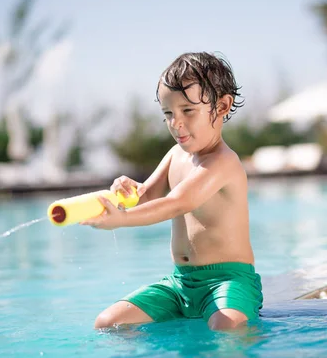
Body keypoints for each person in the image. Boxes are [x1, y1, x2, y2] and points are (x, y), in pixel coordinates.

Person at [82, 52, 262, 331]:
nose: (176, 123)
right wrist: (125, 193)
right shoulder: (175, 155)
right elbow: (146, 197)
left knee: (226, 326)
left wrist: (121, 220)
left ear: (223, 105)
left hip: (229, 280)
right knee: (108, 323)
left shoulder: (222, 162)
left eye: (187, 111)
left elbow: (178, 202)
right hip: (180, 284)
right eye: (168, 114)